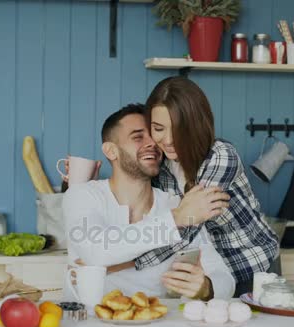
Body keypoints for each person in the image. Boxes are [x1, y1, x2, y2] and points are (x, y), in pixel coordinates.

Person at [62, 104, 234, 299]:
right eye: (137, 137)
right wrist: (176, 218)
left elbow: (224, 277)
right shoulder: (82, 196)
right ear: (111, 151)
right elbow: (95, 251)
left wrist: (206, 288)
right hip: (87, 324)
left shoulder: (175, 204)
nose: (152, 143)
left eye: (153, 137)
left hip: (156, 324)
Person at [133, 76, 280, 296]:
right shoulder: (161, 168)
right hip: (210, 275)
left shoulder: (220, 156)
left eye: (178, 128)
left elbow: (187, 226)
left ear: (195, 124)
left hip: (253, 267)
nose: (168, 139)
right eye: (158, 128)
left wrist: (131, 262)